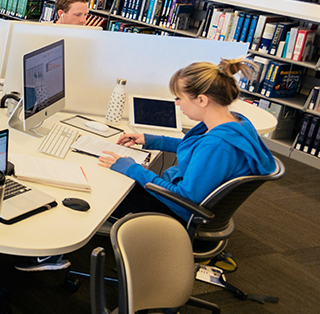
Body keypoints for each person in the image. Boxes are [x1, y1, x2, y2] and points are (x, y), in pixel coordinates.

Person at [20, 58, 276, 272]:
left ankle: (48, 255)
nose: (177, 105)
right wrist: (151, 139)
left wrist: (132, 168)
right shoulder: (235, 123)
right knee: (115, 173)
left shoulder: (217, 146)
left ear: (201, 99)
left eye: (179, 98)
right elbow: (193, 146)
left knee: (96, 187)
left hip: (178, 211)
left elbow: (184, 197)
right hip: (189, 201)